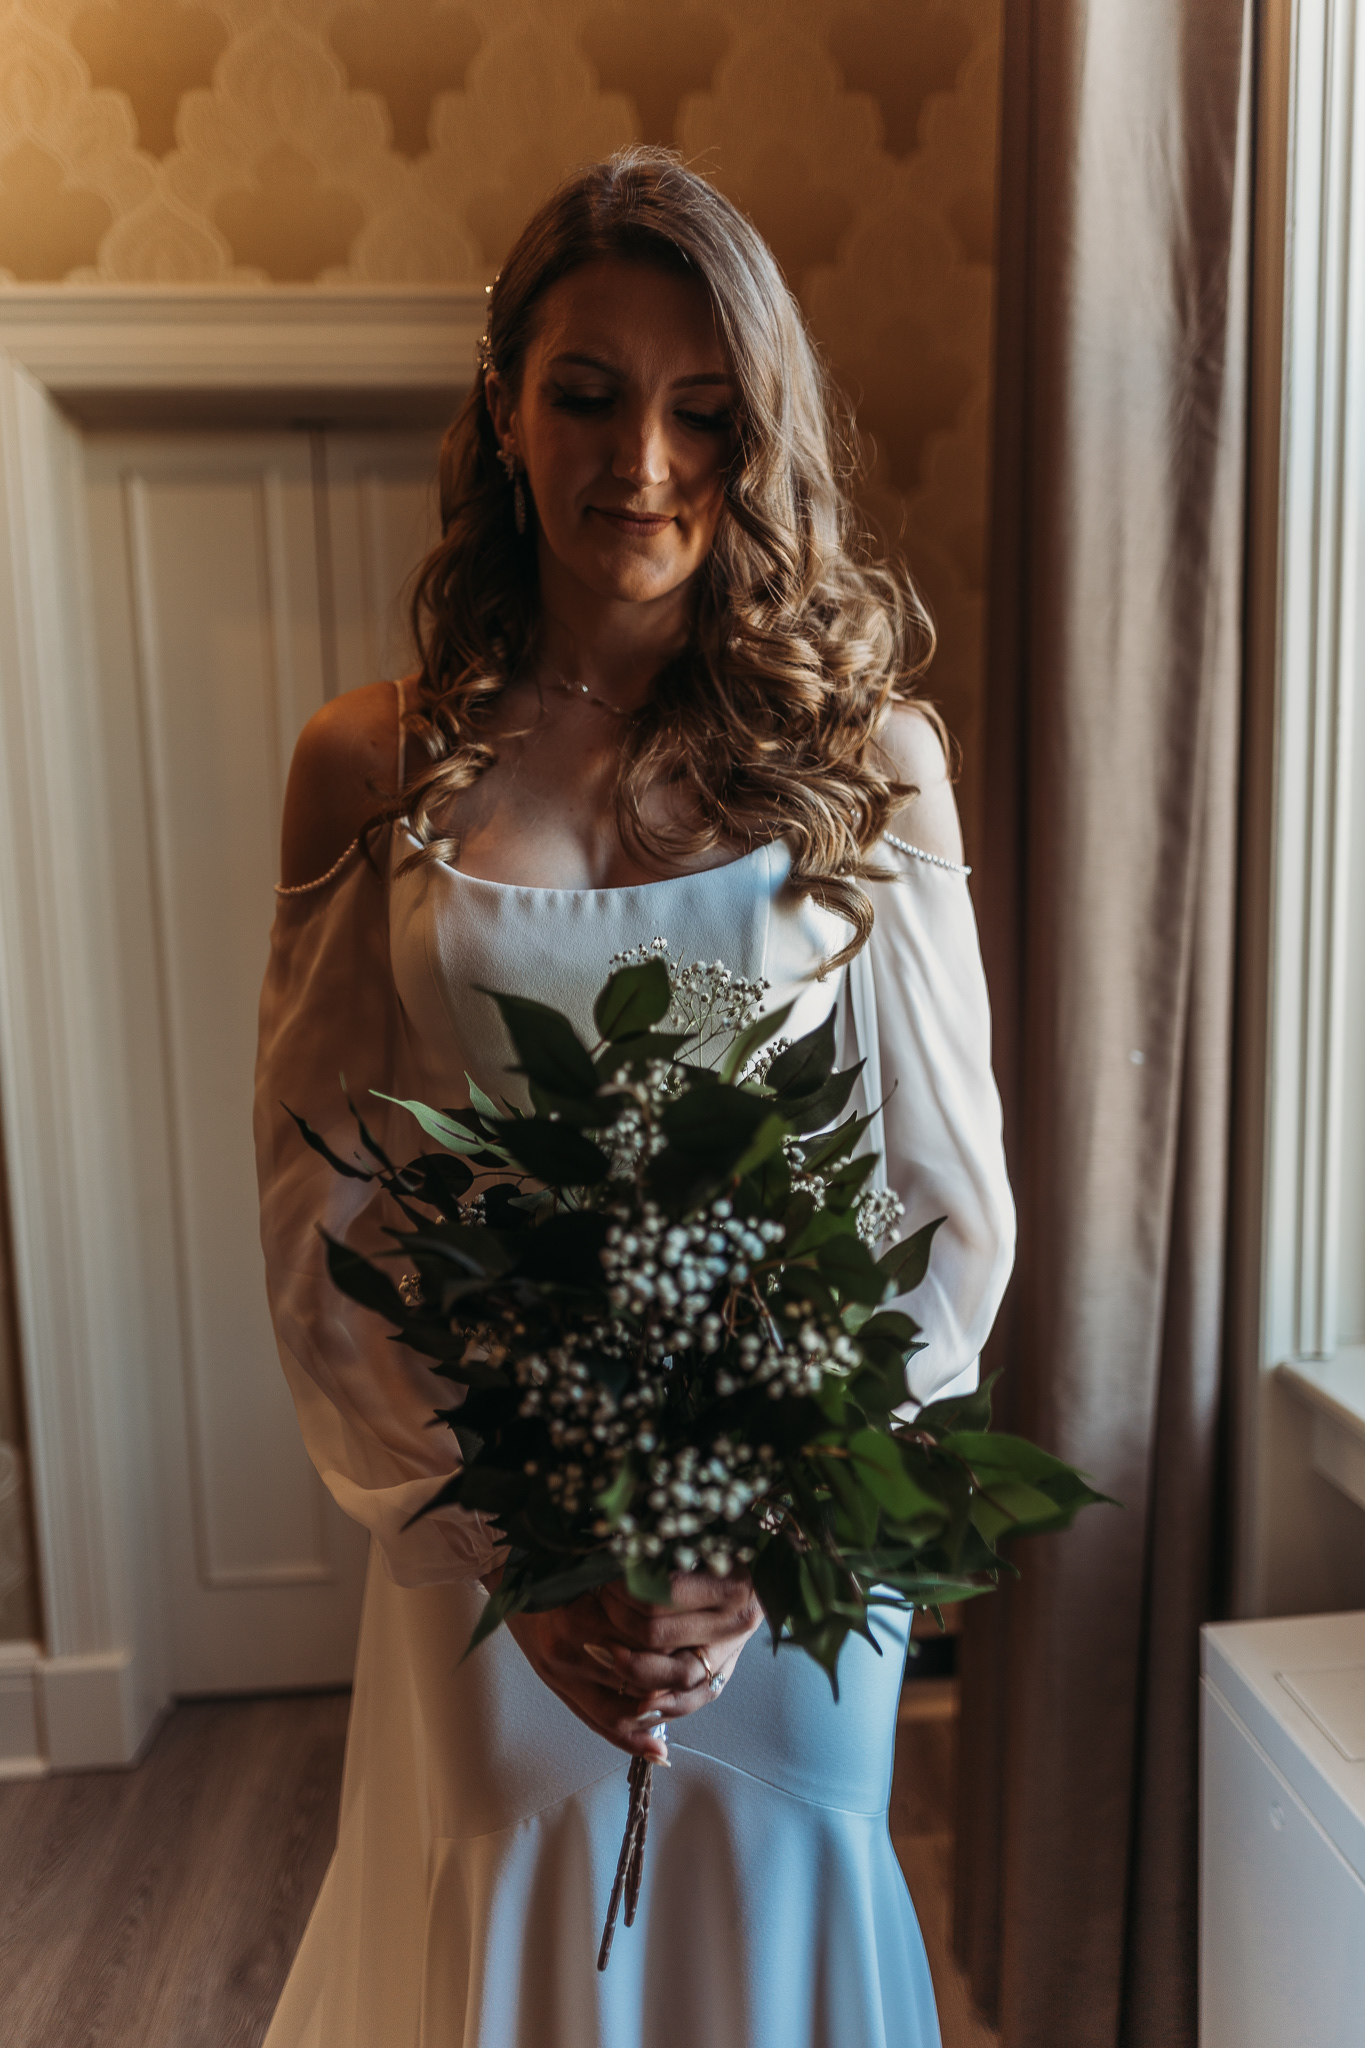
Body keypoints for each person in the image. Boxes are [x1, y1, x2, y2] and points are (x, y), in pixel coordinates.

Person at [255, 147, 1014, 2048]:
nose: (645, 462)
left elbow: (941, 1204)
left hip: (781, 1547)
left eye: (704, 410)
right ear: (504, 408)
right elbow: (319, 1226)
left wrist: (764, 1539)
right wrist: (507, 1549)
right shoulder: (366, 764)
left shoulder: (867, 760)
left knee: (780, 1916)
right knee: (517, 1932)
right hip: (492, 1545)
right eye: (588, 395)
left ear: (760, 433)